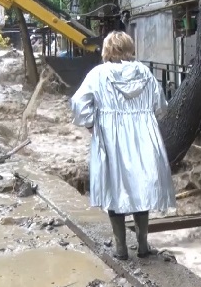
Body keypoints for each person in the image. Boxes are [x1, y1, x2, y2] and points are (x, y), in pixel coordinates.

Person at [70, 31, 176, 260]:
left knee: (113, 189)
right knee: (141, 189)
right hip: (143, 137)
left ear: (107, 50)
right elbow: (162, 106)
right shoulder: (145, 73)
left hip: (111, 139)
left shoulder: (98, 74)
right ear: (129, 48)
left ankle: (121, 249)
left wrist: (91, 124)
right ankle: (143, 245)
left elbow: (79, 103)